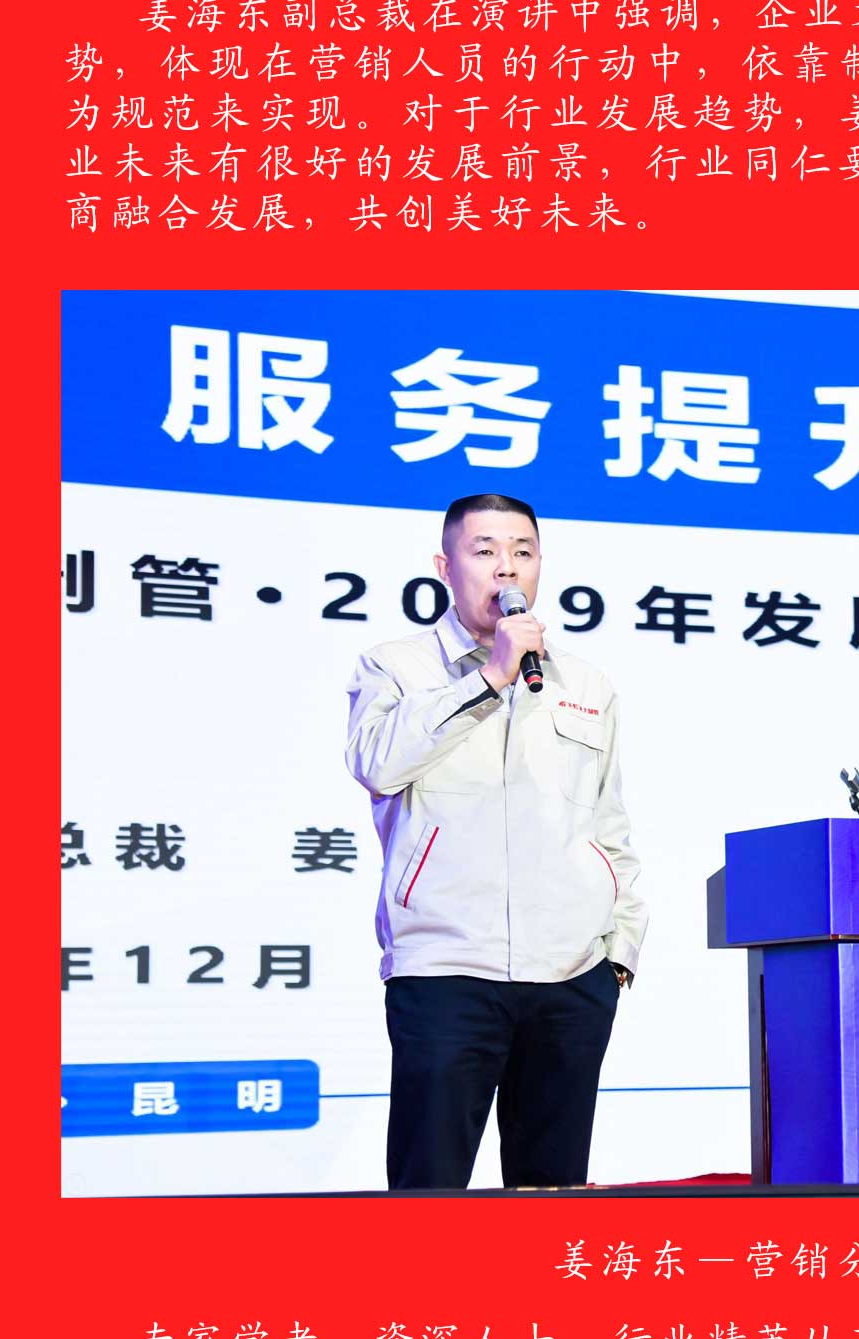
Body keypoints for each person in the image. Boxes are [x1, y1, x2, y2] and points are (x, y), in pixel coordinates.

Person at [343, 492, 648, 1190]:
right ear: (444, 567)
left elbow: (609, 826)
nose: (506, 566)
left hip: (572, 978)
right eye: (484, 551)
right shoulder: (395, 667)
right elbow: (378, 764)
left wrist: (618, 957)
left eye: (522, 551)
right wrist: (489, 678)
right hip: (446, 969)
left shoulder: (585, 683)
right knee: (429, 1192)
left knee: (553, 1200)